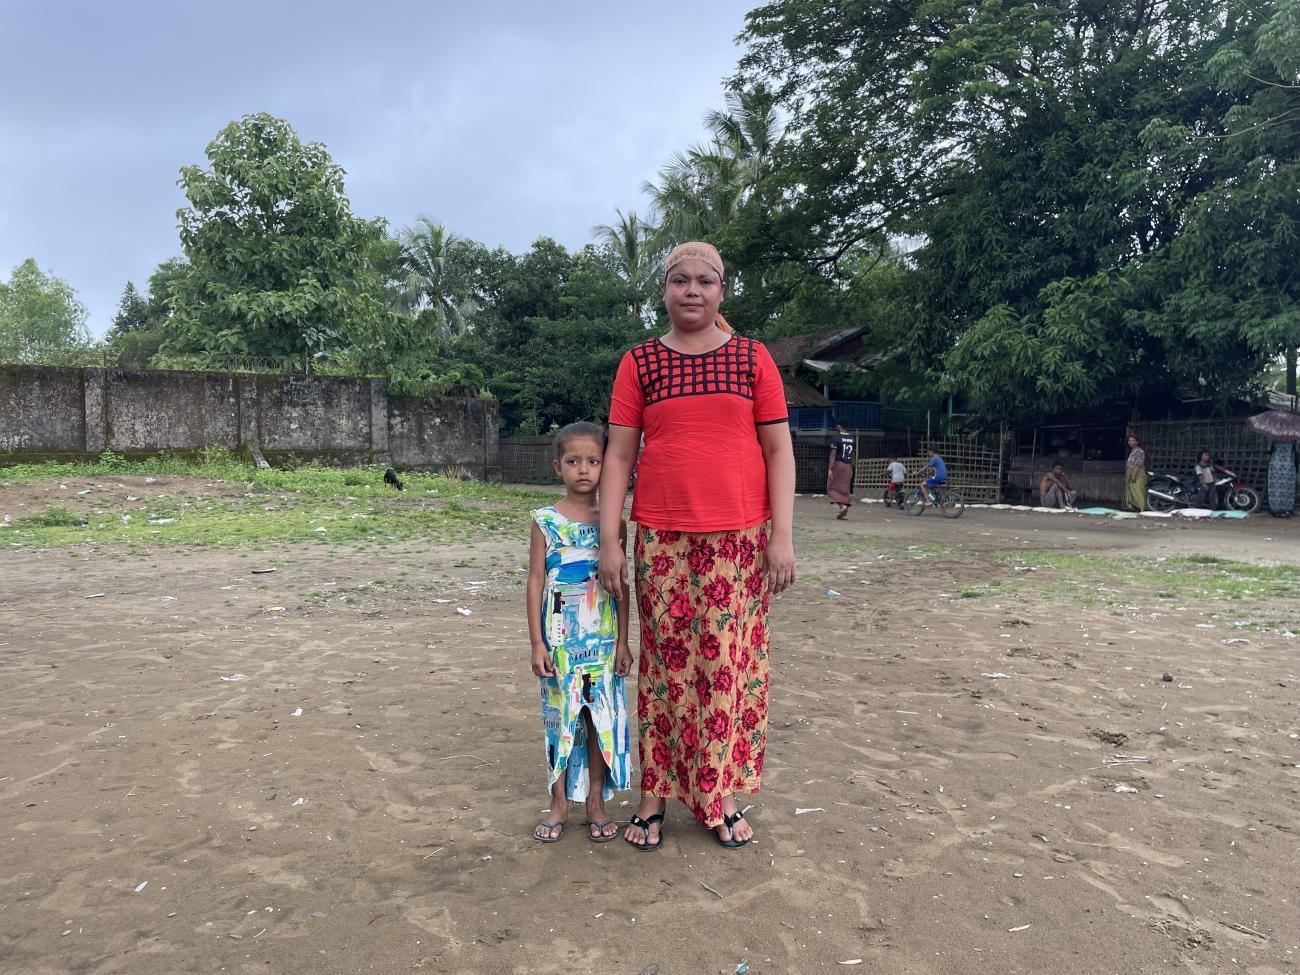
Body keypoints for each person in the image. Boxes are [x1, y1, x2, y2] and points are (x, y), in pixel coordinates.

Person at [599, 241, 796, 853]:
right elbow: (620, 455)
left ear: (721, 290)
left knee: (727, 668)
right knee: (664, 669)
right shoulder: (640, 364)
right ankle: (653, 798)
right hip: (661, 539)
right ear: (663, 290)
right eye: (679, 281)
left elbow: (779, 451)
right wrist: (612, 539)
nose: (691, 291)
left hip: (739, 541)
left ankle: (720, 795)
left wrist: (782, 536)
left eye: (704, 281)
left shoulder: (752, 359)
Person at [526, 421, 633, 843]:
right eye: (574, 461)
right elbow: (535, 581)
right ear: (558, 466)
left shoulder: (615, 527)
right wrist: (537, 642)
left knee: (600, 722)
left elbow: (622, 586)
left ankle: (596, 804)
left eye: (593, 461)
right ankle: (558, 804)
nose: (584, 470)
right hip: (560, 645)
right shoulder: (545, 522)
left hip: (604, 643)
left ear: (606, 466)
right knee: (561, 721)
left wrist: (624, 640)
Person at [826, 421, 855, 519]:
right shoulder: (852, 438)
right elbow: (853, 455)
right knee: (845, 488)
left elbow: (833, 454)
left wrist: (830, 468)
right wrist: (851, 468)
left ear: (839, 425)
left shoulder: (836, 437)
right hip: (848, 465)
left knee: (832, 486)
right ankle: (844, 513)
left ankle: (843, 506)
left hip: (838, 464)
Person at [1124, 434, 1148, 511]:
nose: (1130, 442)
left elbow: (1138, 464)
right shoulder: (1132, 450)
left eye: (1133, 440)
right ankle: (1135, 507)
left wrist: (1134, 475)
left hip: (1138, 473)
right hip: (1131, 471)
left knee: (1138, 490)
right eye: (1129, 440)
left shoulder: (1139, 451)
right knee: (1132, 490)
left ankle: (1141, 508)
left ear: (1137, 442)